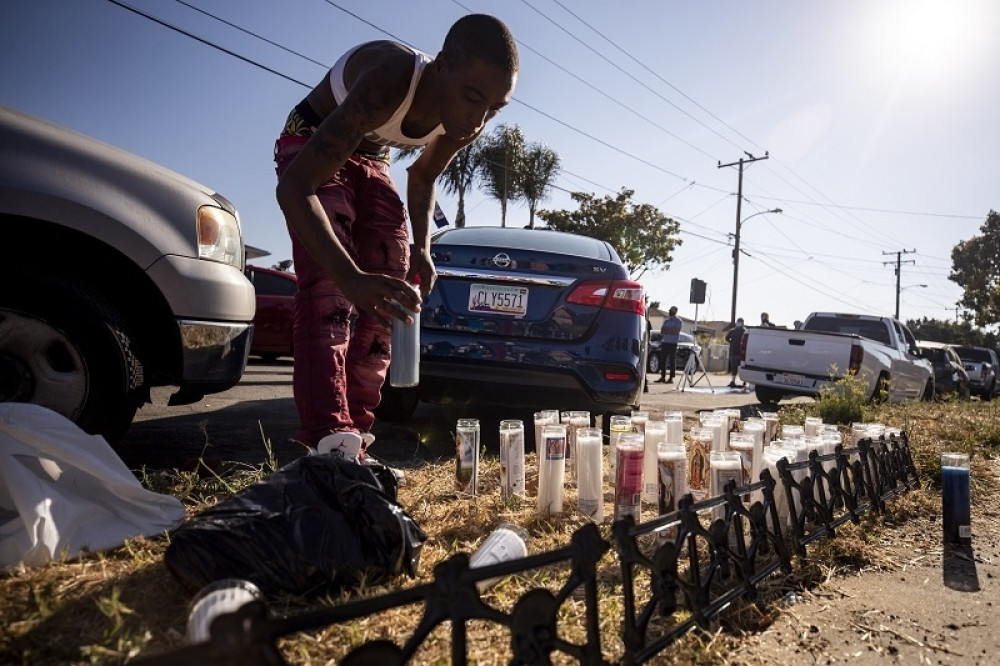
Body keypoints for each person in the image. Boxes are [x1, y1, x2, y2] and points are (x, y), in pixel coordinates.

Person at [274, 15, 519, 461]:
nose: (478, 117)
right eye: (473, 98)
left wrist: (422, 247)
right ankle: (327, 438)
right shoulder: (389, 78)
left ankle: (356, 440)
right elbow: (295, 188)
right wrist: (350, 278)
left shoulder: (468, 117)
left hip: (371, 158)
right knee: (331, 292)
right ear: (442, 66)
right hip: (311, 143)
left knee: (391, 292)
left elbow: (424, 177)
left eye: (494, 108)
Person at [656, 306, 683, 383]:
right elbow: (662, 330)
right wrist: (669, 330)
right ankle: (662, 377)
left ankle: (671, 378)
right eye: (669, 310)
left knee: (672, 360)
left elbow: (676, 331)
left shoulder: (678, 321)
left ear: (675, 311)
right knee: (662, 360)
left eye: (671, 310)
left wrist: (667, 330)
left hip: (673, 343)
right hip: (665, 342)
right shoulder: (666, 321)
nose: (669, 312)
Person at [725, 318, 746, 388]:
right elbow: (727, 338)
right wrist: (732, 342)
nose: (739, 323)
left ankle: (744, 381)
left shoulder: (745, 331)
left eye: (740, 322)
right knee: (734, 367)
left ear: (743, 323)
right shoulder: (732, 331)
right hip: (733, 352)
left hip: (742, 353)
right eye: (738, 322)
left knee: (742, 368)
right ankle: (733, 381)